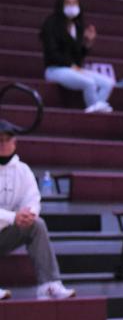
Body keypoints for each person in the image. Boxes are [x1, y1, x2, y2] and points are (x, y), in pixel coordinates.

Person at [0, 120, 76, 301]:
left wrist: (29, 214)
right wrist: (13, 217)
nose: (3, 144)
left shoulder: (23, 170)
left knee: (37, 224)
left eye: (7, 139)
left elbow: (33, 199)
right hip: (7, 223)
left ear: (14, 143)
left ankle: (49, 284)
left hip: (5, 234)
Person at [40, 0, 114, 114]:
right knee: (89, 82)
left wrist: (87, 44)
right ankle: (95, 110)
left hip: (73, 68)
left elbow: (78, 57)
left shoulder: (77, 26)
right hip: (55, 69)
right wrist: (71, 65)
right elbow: (52, 53)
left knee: (108, 83)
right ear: (61, 5)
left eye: (74, 3)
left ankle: (95, 107)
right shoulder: (51, 23)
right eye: (68, 3)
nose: (72, 6)